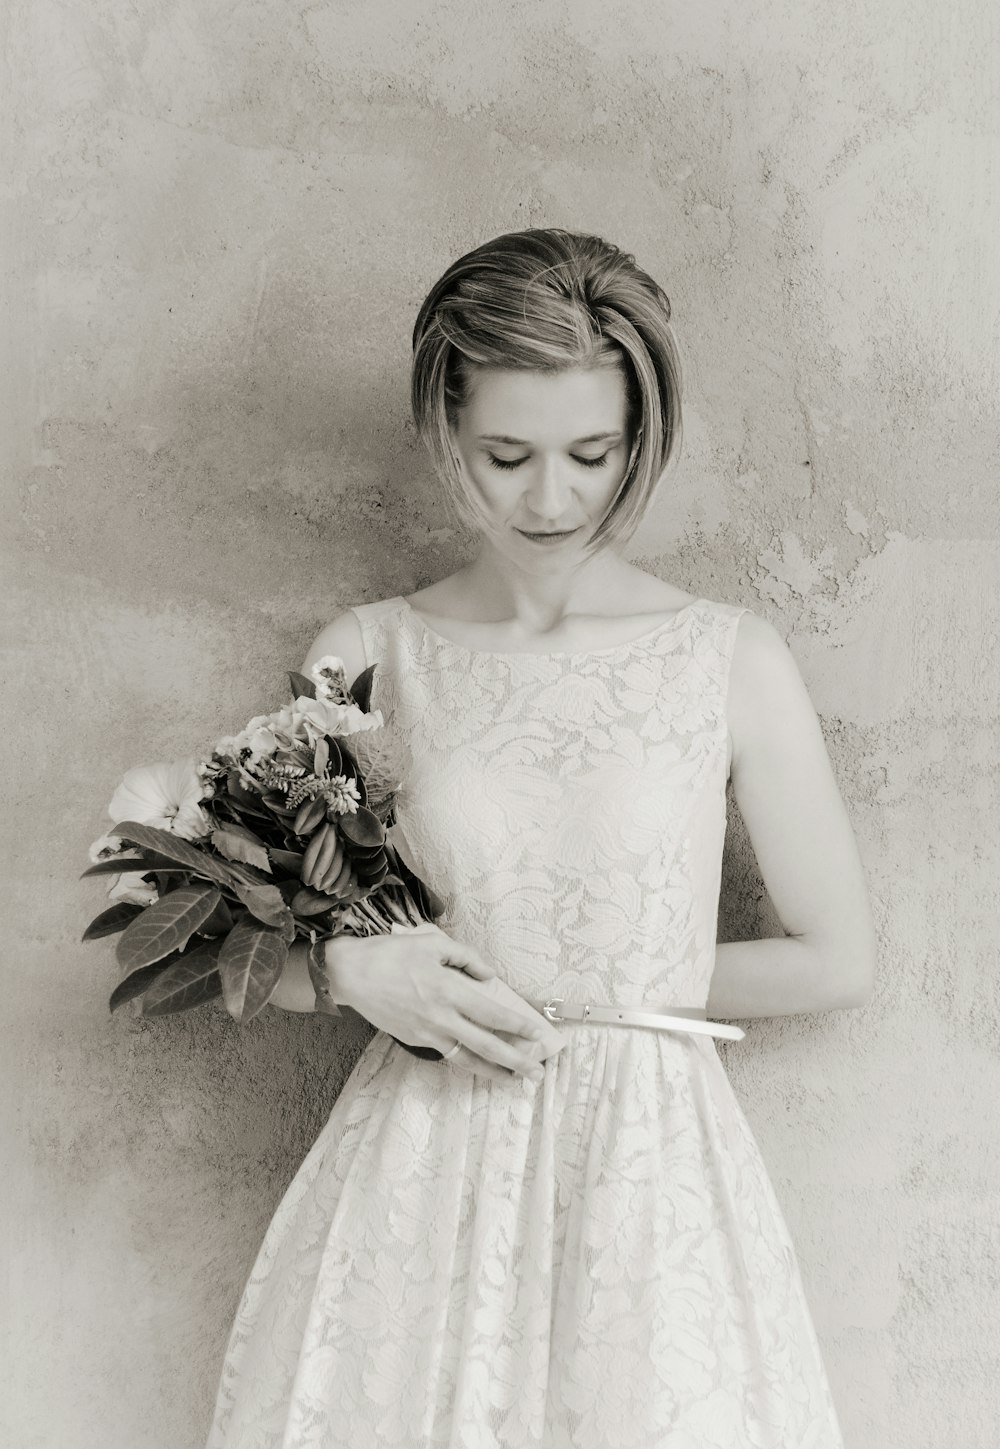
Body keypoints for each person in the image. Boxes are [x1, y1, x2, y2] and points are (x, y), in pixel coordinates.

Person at [205, 227, 876, 1448]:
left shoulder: (731, 658)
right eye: (506, 455)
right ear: (445, 433)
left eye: (592, 453)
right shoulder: (364, 654)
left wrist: (597, 994)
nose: (552, 498)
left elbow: (835, 957)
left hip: (651, 1164)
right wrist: (354, 966)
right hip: (424, 1158)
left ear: (641, 439)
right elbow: (257, 946)